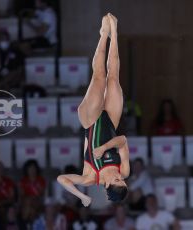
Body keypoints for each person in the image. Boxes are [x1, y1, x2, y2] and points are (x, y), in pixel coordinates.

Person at [57, 14, 130, 206]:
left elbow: (61, 179)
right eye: (122, 180)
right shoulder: (124, 170)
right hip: (111, 122)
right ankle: (114, 32)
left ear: (106, 185)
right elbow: (123, 141)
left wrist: (82, 196)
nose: (119, 176)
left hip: (89, 119)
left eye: (116, 180)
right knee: (113, 77)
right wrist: (105, 147)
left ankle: (103, 34)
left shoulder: (90, 177)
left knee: (99, 77)